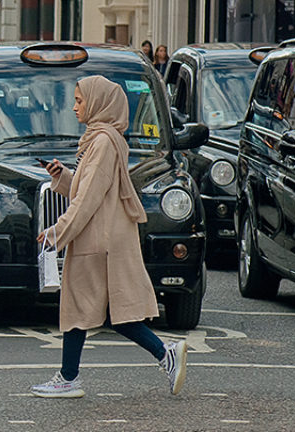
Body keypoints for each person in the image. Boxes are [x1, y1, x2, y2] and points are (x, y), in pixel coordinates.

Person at [32, 75, 187, 399]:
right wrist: (63, 178)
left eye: (80, 100)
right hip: (103, 238)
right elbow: (91, 187)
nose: (74, 107)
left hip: (97, 241)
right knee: (113, 313)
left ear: (98, 102)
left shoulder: (102, 142)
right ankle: (164, 354)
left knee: (79, 308)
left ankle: (69, 378)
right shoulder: (103, 138)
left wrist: (56, 233)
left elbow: (88, 199)